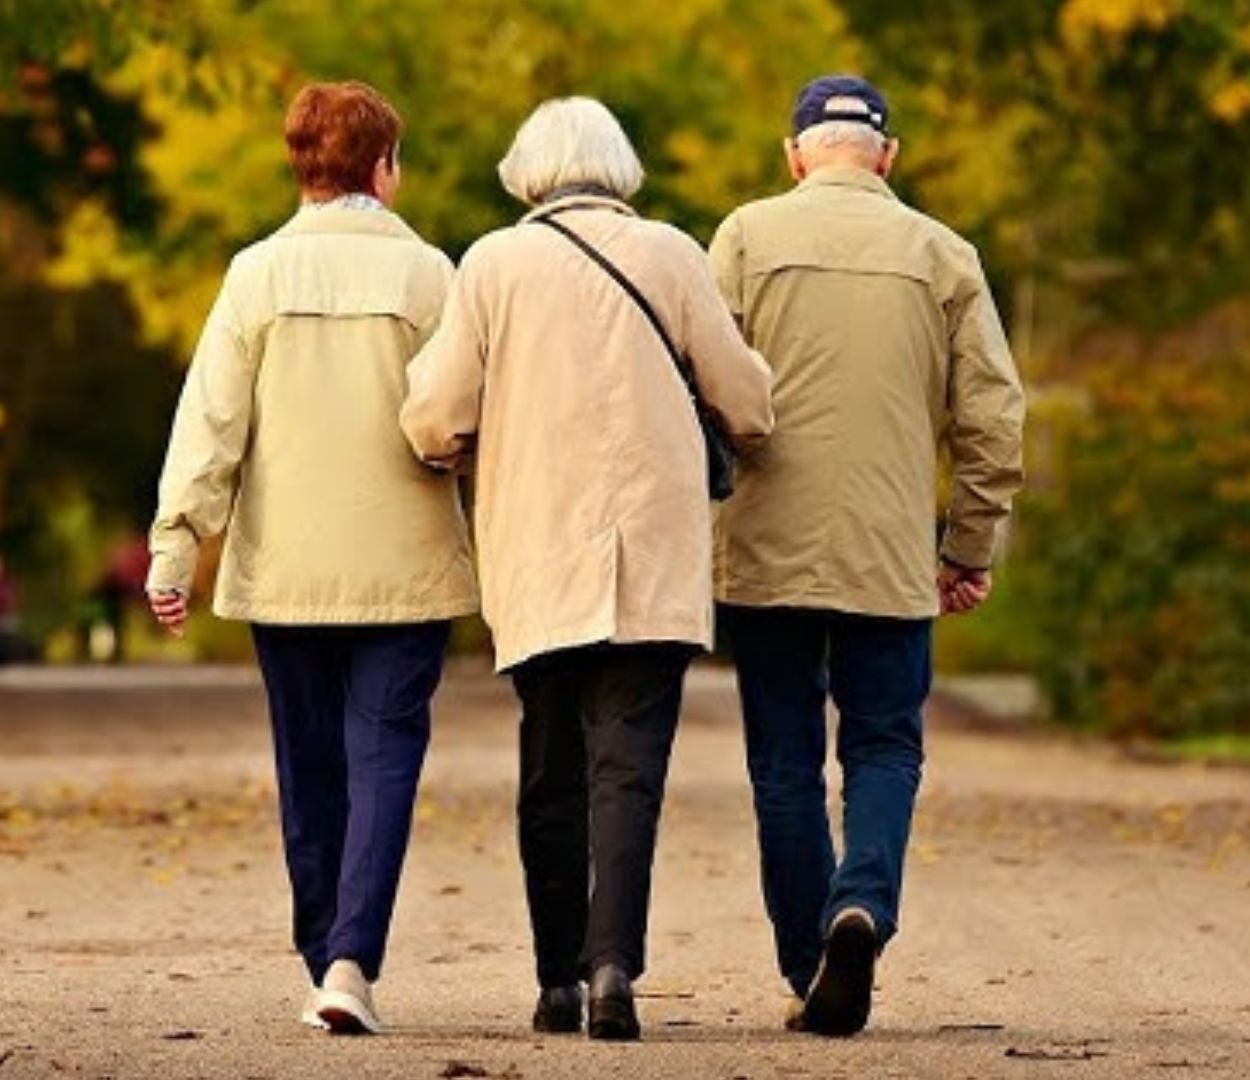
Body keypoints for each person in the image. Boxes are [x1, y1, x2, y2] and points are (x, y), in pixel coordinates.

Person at [401, 97, 773, 1041]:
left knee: (551, 765)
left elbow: (437, 413)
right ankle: (615, 967)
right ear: (621, 167)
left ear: (526, 171)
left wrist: (461, 443)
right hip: (651, 551)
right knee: (629, 772)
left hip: (539, 552)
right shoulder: (675, 254)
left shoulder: (492, 263)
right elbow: (747, 402)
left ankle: (556, 980)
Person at [144, 81, 476, 1036]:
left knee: (309, 768)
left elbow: (210, 424)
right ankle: (348, 959)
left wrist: (177, 550)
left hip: (286, 571)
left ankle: (320, 944)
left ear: (301, 167)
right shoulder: (431, 277)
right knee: (384, 764)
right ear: (382, 168)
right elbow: (462, 420)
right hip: (403, 570)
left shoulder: (254, 276)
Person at [708, 74, 1027, 1036]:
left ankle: (812, 959)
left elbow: (703, 392)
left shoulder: (744, 240)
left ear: (796, 151)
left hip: (767, 551)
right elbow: (993, 418)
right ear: (887, 155)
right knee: (885, 745)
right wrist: (967, 542)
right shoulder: (943, 254)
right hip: (892, 555)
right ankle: (863, 906)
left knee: (785, 763)